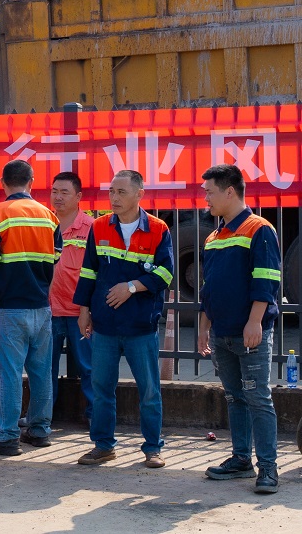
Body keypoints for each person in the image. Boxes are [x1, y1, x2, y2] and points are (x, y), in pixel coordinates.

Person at [74, 170, 173, 469]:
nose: (114, 198)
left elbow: (166, 273)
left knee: (149, 391)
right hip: (104, 326)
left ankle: (153, 448)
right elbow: (88, 271)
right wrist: (83, 310)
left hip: (140, 327)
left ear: (139, 194)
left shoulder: (158, 229)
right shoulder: (100, 226)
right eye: (111, 192)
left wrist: (131, 287)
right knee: (102, 389)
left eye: (121, 192)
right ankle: (103, 446)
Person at [198, 164, 281, 494]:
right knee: (235, 398)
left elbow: (267, 279)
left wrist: (255, 321)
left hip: (250, 334)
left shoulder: (259, 229)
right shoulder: (214, 236)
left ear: (229, 191)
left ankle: (268, 468)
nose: (206, 199)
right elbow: (209, 287)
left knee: (258, 398)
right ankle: (241, 460)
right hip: (222, 333)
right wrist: (204, 327)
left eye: (210, 192)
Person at [0, 160, 60, 456]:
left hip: (9, 308)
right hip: (41, 307)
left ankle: (7, 436)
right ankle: (39, 430)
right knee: (41, 373)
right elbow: (54, 261)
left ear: (3, 182)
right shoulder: (49, 216)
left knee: (9, 375)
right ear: (31, 182)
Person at [48, 171, 95, 423]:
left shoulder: (91, 228)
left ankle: (95, 415)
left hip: (80, 312)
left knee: (89, 367)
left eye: (64, 192)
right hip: (47, 310)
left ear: (78, 196)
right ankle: (42, 416)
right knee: (44, 368)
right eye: (54, 191)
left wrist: (90, 309)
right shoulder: (44, 223)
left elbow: (98, 271)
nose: (58, 197)